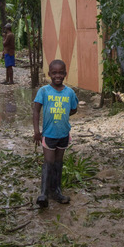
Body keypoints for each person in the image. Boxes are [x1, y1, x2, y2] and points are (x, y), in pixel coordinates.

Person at [32, 59, 78, 207]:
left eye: (60, 73)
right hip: (49, 134)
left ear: (65, 74)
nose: (57, 75)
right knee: (49, 162)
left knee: (58, 163)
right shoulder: (44, 91)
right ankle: (44, 193)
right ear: (49, 74)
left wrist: (63, 115)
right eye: (54, 73)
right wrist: (37, 131)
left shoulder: (69, 92)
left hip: (63, 134)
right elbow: (36, 111)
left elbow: (74, 108)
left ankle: (56, 191)